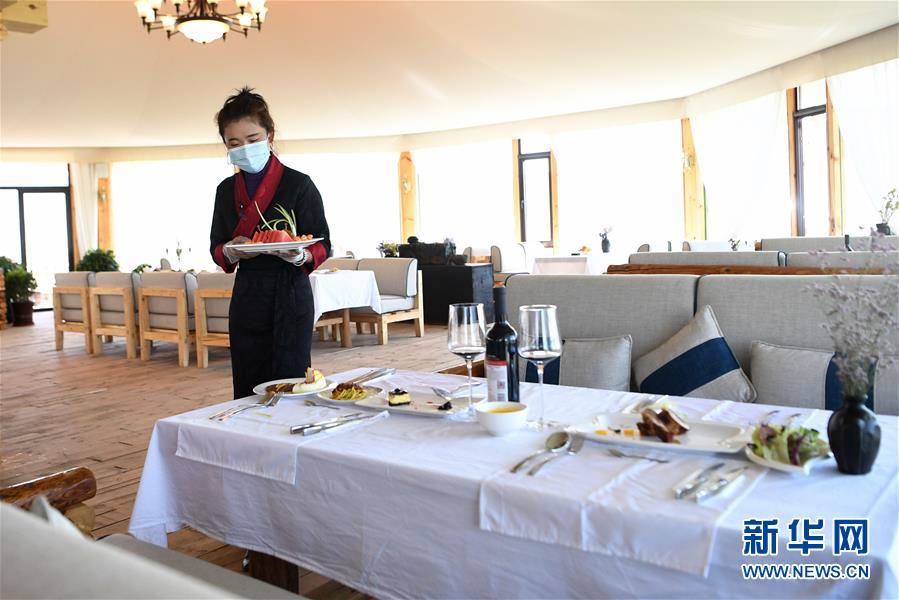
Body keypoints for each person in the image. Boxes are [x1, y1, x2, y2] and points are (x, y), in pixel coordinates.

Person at [209, 87, 330, 399]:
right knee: (247, 382)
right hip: (248, 295)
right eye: (234, 144)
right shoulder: (225, 191)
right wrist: (231, 250)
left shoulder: (298, 184)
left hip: (290, 292)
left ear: (270, 136)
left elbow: (322, 242)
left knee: (291, 381)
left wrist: (299, 256)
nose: (244, 149)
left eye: (252, 140)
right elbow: (216, 247)